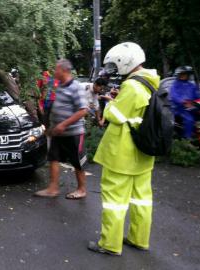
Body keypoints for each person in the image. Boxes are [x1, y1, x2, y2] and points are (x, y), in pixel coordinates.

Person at [88, 42, 160, 256]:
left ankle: (109, 244)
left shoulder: (132, 86)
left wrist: (111, 102)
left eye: (114, 64)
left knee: (114, 202)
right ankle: (139, 239)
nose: (114, 68)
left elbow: (115, 116)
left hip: (122, 154)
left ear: (124, 62)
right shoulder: (151, 83)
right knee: (142, 200)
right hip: (143, 154)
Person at [34, 59, 88, 199]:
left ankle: (82, 189)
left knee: (77, 162)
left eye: (56, 69)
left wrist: (63, 124)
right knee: (53, 158)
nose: (54, 72)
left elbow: (83, 110)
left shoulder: (75, 87)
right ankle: (53, 188)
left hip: (73, 132)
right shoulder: (61, 86)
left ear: (64, 70)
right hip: (58, 132)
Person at [169, 66, 200, 139]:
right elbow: (174, 96)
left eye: (185, 74)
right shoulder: (175, 85)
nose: (183, 75)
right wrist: (183, 102)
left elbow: (198, 96)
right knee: (189, 119)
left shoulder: (191, 85)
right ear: (178, 75)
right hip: (179, 108)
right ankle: (188, 139)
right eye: (182, 74)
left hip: (192, 108)